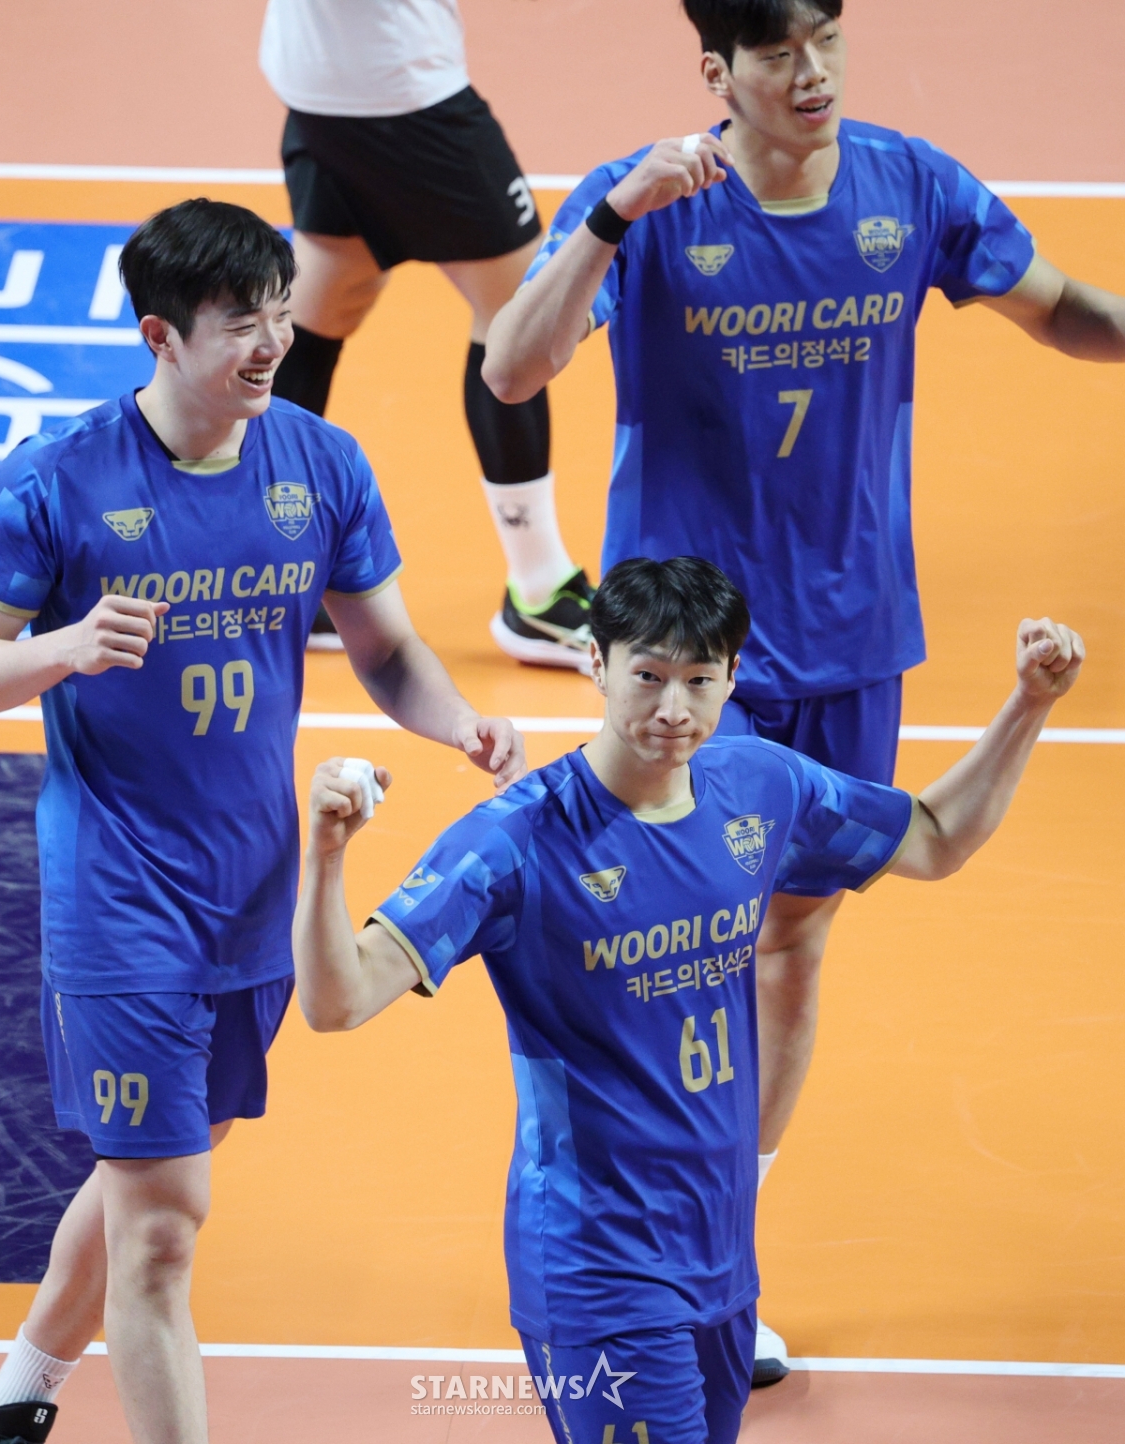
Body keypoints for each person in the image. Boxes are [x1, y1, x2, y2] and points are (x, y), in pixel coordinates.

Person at [481, 0, 1125, 1381]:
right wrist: (611, 221)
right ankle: (630, 1243)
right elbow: (513, 365)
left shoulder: (912, 185)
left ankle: (723, 1234)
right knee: (677, 949)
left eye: (827, 37)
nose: (813, 69)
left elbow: (1059, 307)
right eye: (779, 51)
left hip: (852, 635)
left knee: (790, 945)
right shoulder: (649, 200)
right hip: (688, 654)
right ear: (719, 73)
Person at [0, 198, 524, 1444]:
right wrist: (64, 648)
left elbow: (386, 649)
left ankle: (15, 1397)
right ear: (160, 335)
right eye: (240, 324)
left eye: (278, 315)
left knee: (146, 1178)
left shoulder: (320, 463)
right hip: (119, 896)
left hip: (254, 894)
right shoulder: (60, 477)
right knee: (164, 1226)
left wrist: (459, 722)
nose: (272, 343)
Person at [291, 555, 1083, 1444]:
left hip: (722, 1254)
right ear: (596, 664)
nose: (674, 708)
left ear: (733, 677)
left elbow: (934, 838)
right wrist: (325, 859)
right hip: (596, 1264)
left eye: (700, 680)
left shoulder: (760, 788)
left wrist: (1029, 704)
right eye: (649, 677)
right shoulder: (518, 839)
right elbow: (338, 999)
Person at [259, 0, 595, 667]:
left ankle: (277, 581)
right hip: (402, 95)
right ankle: (538, 591)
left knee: (323, 306)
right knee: (518, 317)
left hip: (321, 89)